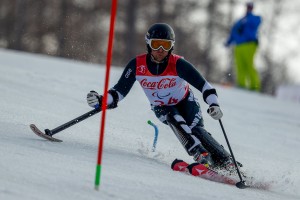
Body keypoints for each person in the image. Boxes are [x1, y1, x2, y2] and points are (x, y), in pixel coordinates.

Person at [87, 23, 236, 170]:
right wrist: (102, 100)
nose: (160, 50)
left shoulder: (178, 64)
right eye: (156, 44)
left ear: (171, 46)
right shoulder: (137, 65)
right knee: (171, 115)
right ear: (148, 44)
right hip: (161, 107)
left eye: (165, 45)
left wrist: (214, 104)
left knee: (196, 131)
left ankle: (227, 162)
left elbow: (205, 86)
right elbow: (119, 91)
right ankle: (200, 154)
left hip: (187, 103)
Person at [225, 2, 262, 91]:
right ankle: (241, 84)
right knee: (239, 65)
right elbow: (234, 32)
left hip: (249, 44)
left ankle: (254, 86)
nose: (249, 8)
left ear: (252, 8)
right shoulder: (239, 21)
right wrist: (228, 42)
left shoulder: (254, 18)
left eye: (250, 7)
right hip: (238, 45)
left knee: (249, 64)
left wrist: (247, 18)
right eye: (248, 7)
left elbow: (256, 23)